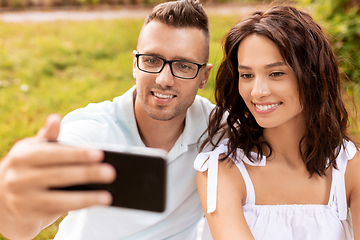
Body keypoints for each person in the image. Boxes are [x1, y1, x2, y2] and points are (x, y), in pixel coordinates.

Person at [0, 0, 213, 239]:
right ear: (135, 64)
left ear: (204, 77)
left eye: (183, 66)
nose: (164, 79)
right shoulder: (92, 131)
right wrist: (9, 202)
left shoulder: (218, 129)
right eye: (152, 60)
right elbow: (22, 227)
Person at [195, 5, 360, 240]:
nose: (258, 91)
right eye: (247, 75)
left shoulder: (350, 167)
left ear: (312, 76)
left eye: (276, 74)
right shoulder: (222, 172)